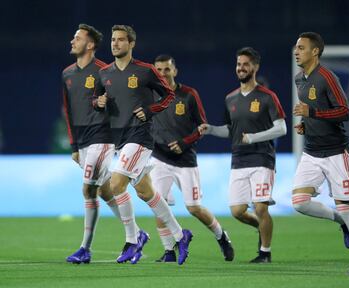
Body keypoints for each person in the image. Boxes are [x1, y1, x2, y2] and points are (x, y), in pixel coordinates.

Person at [97, 25, 192, 265]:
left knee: (116, 184)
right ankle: (181, 235)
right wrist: (97, 103)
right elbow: (98, 101)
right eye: (113, 40)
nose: (115, 44)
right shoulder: (104, 73)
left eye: (120, 40)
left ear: (131, 44)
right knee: (145, 192)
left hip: (139, 137)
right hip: (119, 139)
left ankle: (133, 239)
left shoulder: (145, 71)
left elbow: (169, 95)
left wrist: (151, 110)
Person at [292, 32, 349, 273]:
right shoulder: (299, 79)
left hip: (336, 152)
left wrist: (312, 114)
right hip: (311, 151)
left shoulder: (327, 77)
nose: (297, 51)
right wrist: (306, 124)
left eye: (302, 48)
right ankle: (341, 222)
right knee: (299, 202)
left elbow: (344, 112)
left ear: (315, 51)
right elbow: (312, 111)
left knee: (348, 208)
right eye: (296, 47)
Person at [199, 47, 287, 263]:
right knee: (237, 211)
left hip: (262, 159)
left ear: (255, 67)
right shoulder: (230, 98)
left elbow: (282, 128)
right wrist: (210, 129)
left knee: (260, 206)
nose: (241, 68)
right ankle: (261, 227)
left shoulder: (268, 97)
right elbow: (230, 131)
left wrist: (254, 137)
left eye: (246, 64)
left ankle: (264, 253)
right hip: (239, 160)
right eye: (239, 64)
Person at [150, 54, 234, 262]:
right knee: (159, 205)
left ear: (175, 71)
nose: (162, 74)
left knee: (194, 207)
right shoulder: (149, 94)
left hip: (185, 160)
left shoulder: (188, 95)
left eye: (166, 69)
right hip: (159, 158)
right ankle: (169, 251)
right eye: (158, 70)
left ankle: (222, 237)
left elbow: (202, 127)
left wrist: (184, 143)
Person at [62, 24, 121, 264]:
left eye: (77, 38)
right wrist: (74, 146)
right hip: (83, 142)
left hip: (103, 138)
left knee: (87, 189)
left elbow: (119, 105)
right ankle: (137, 235)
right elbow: (68, 110)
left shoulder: (105, 71)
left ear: (90, 44)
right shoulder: (66, 73)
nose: (72, 41)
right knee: (105, 191)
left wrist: (106, 103)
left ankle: (85, 249)